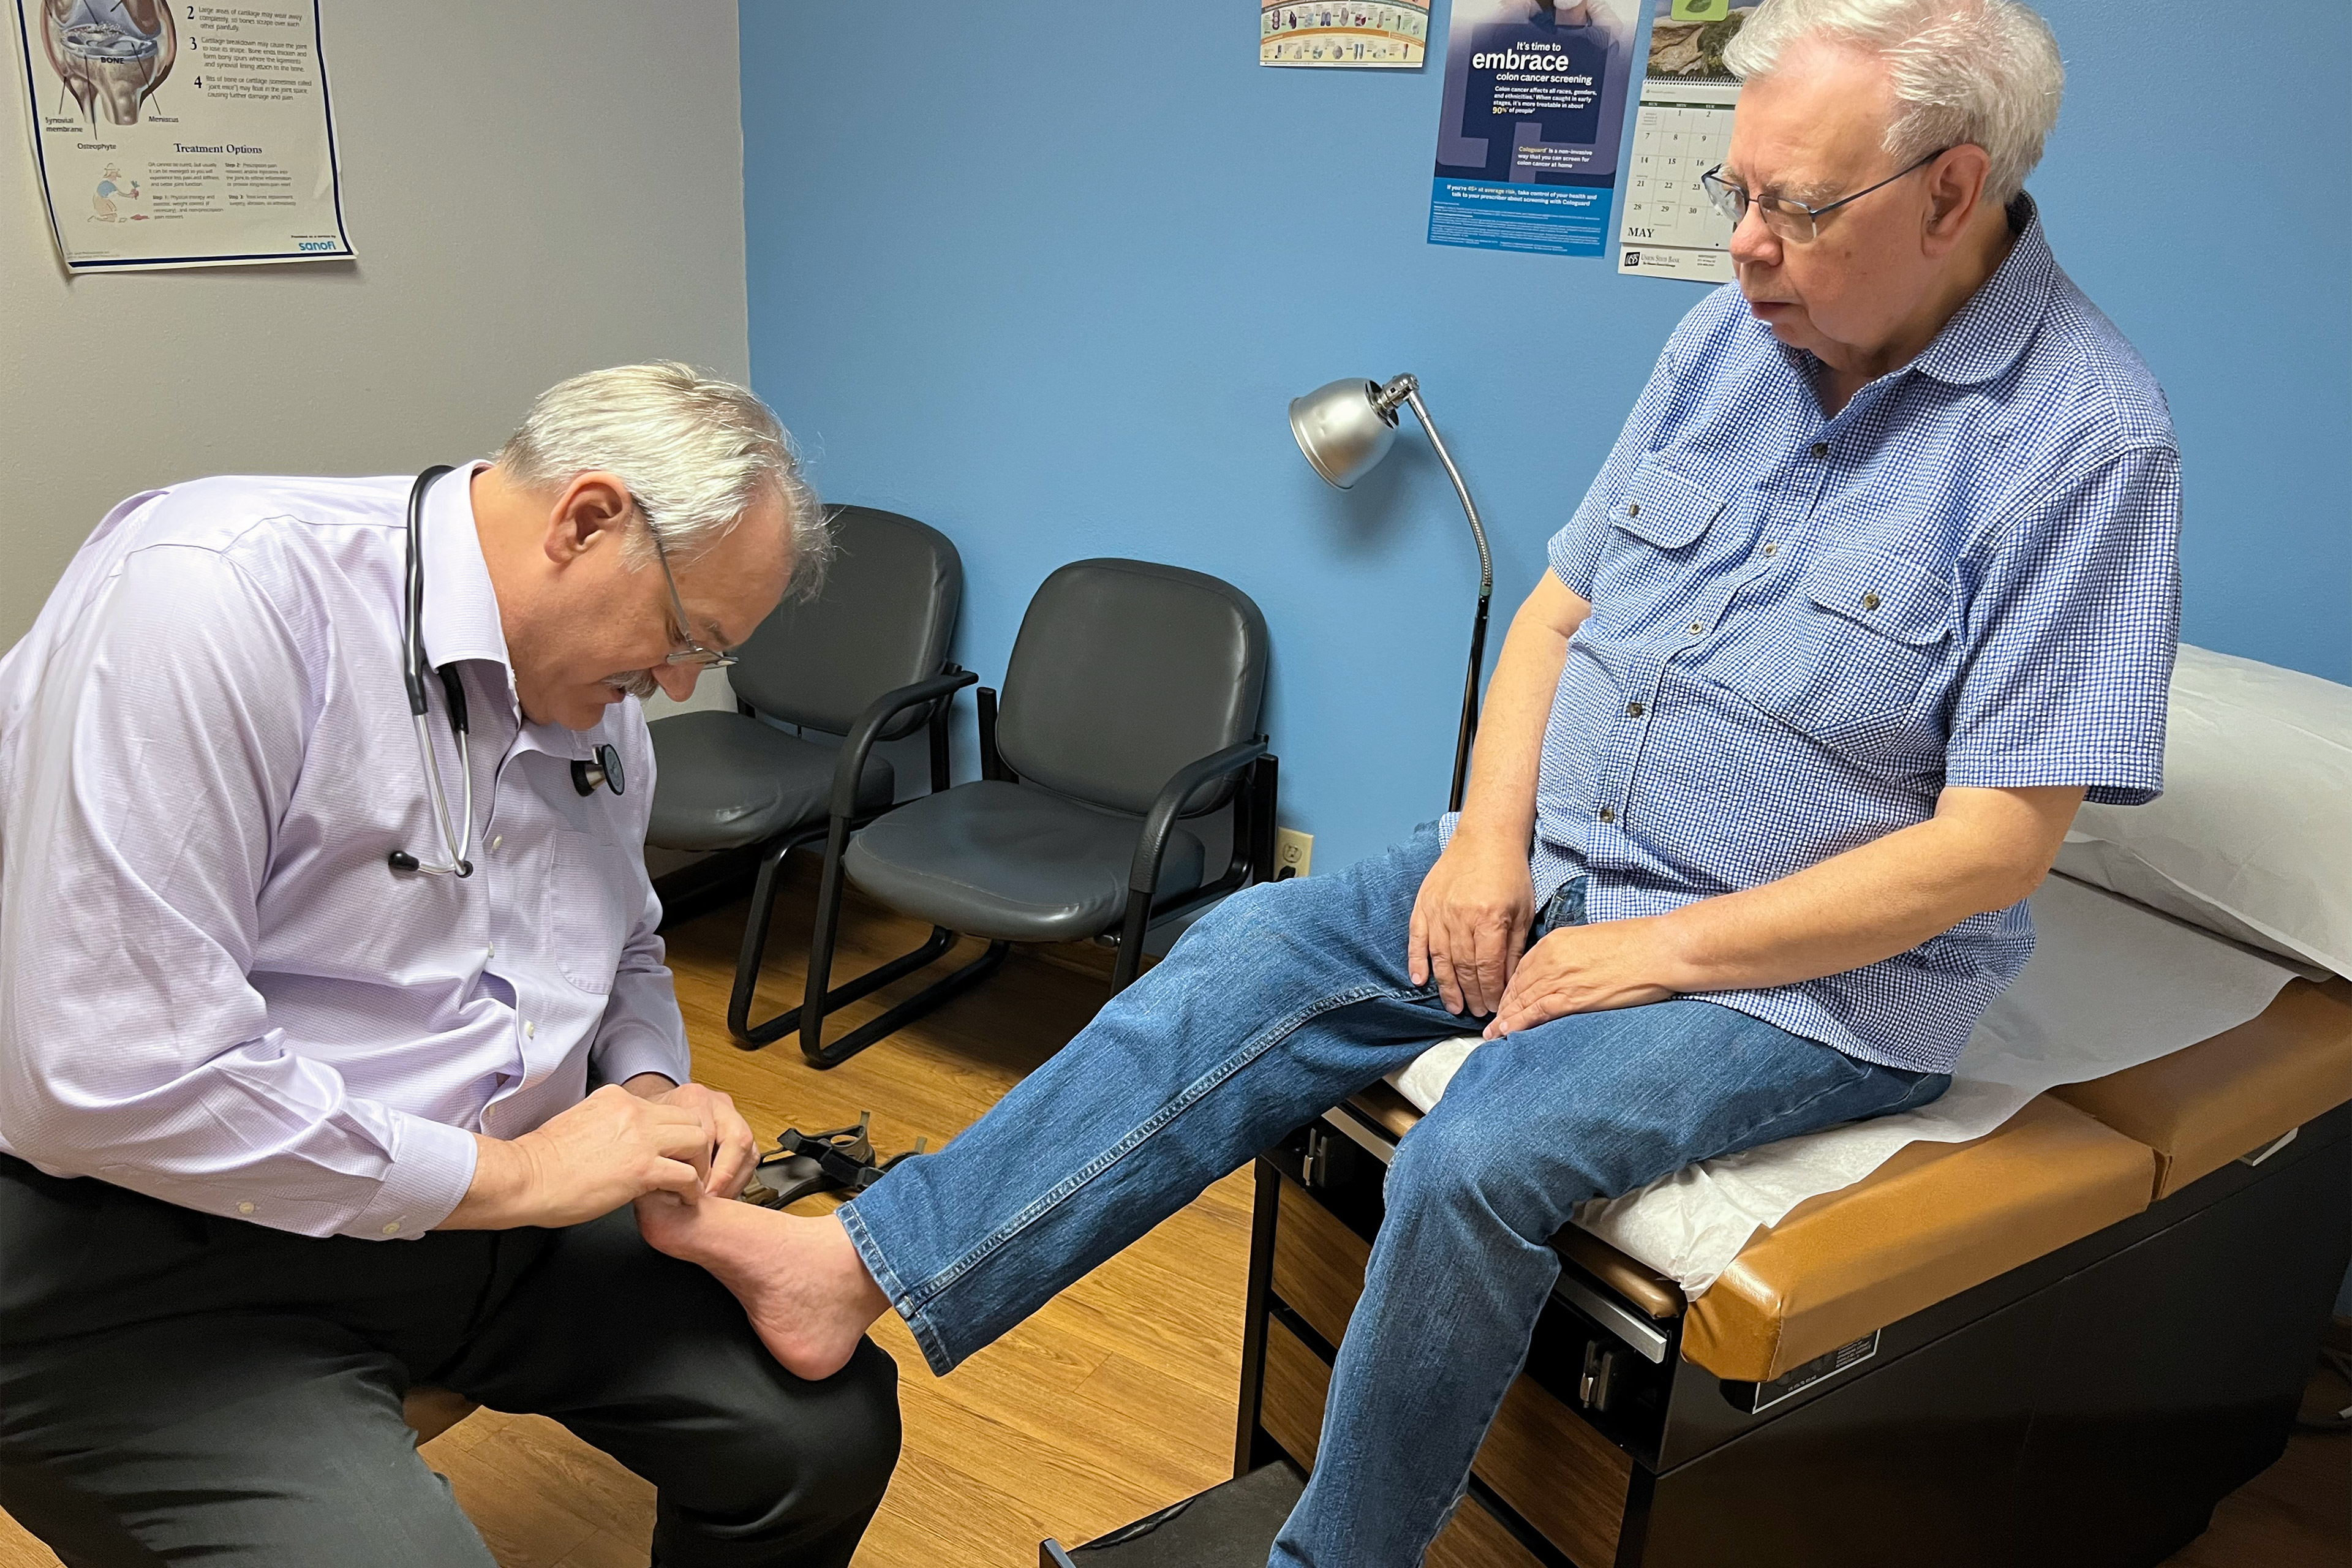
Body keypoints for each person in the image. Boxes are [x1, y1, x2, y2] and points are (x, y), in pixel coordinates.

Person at [638, 0, 2182, 1561]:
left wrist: (1642, 954)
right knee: (1239, 952)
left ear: (1949, 189)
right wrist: (1487, 842)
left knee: (1478, 1154)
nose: (1745, 247)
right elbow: (1558, 614)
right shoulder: (1731, 344)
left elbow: (1992, 847)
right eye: (1735, 191)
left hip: (1797, 975)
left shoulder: (2086, 443)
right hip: (1560, 857)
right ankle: (865, 1270)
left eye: (1796, 207)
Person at [0, 365, 901, 1567]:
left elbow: (623, 929)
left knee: (820, 1430)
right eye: (687, 636)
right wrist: (518, 1170)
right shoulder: (213, 597)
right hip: (150, 1243)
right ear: (587, 521)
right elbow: (114, 1073)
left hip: (488, 1211)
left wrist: (640, 1083)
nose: (679, 685)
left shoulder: (596, 694)